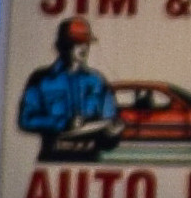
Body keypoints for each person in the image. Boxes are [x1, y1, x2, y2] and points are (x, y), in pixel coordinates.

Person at [15, 20, 120, 159]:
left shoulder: (97, 81)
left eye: (86, 43)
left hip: (91, 160)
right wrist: (64, 123)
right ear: (62, 46)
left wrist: (112, 133)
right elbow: (26, 119)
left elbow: (109, 122)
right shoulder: (41, 79)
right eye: (77, 43)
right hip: (53, 158)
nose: (83, 48)